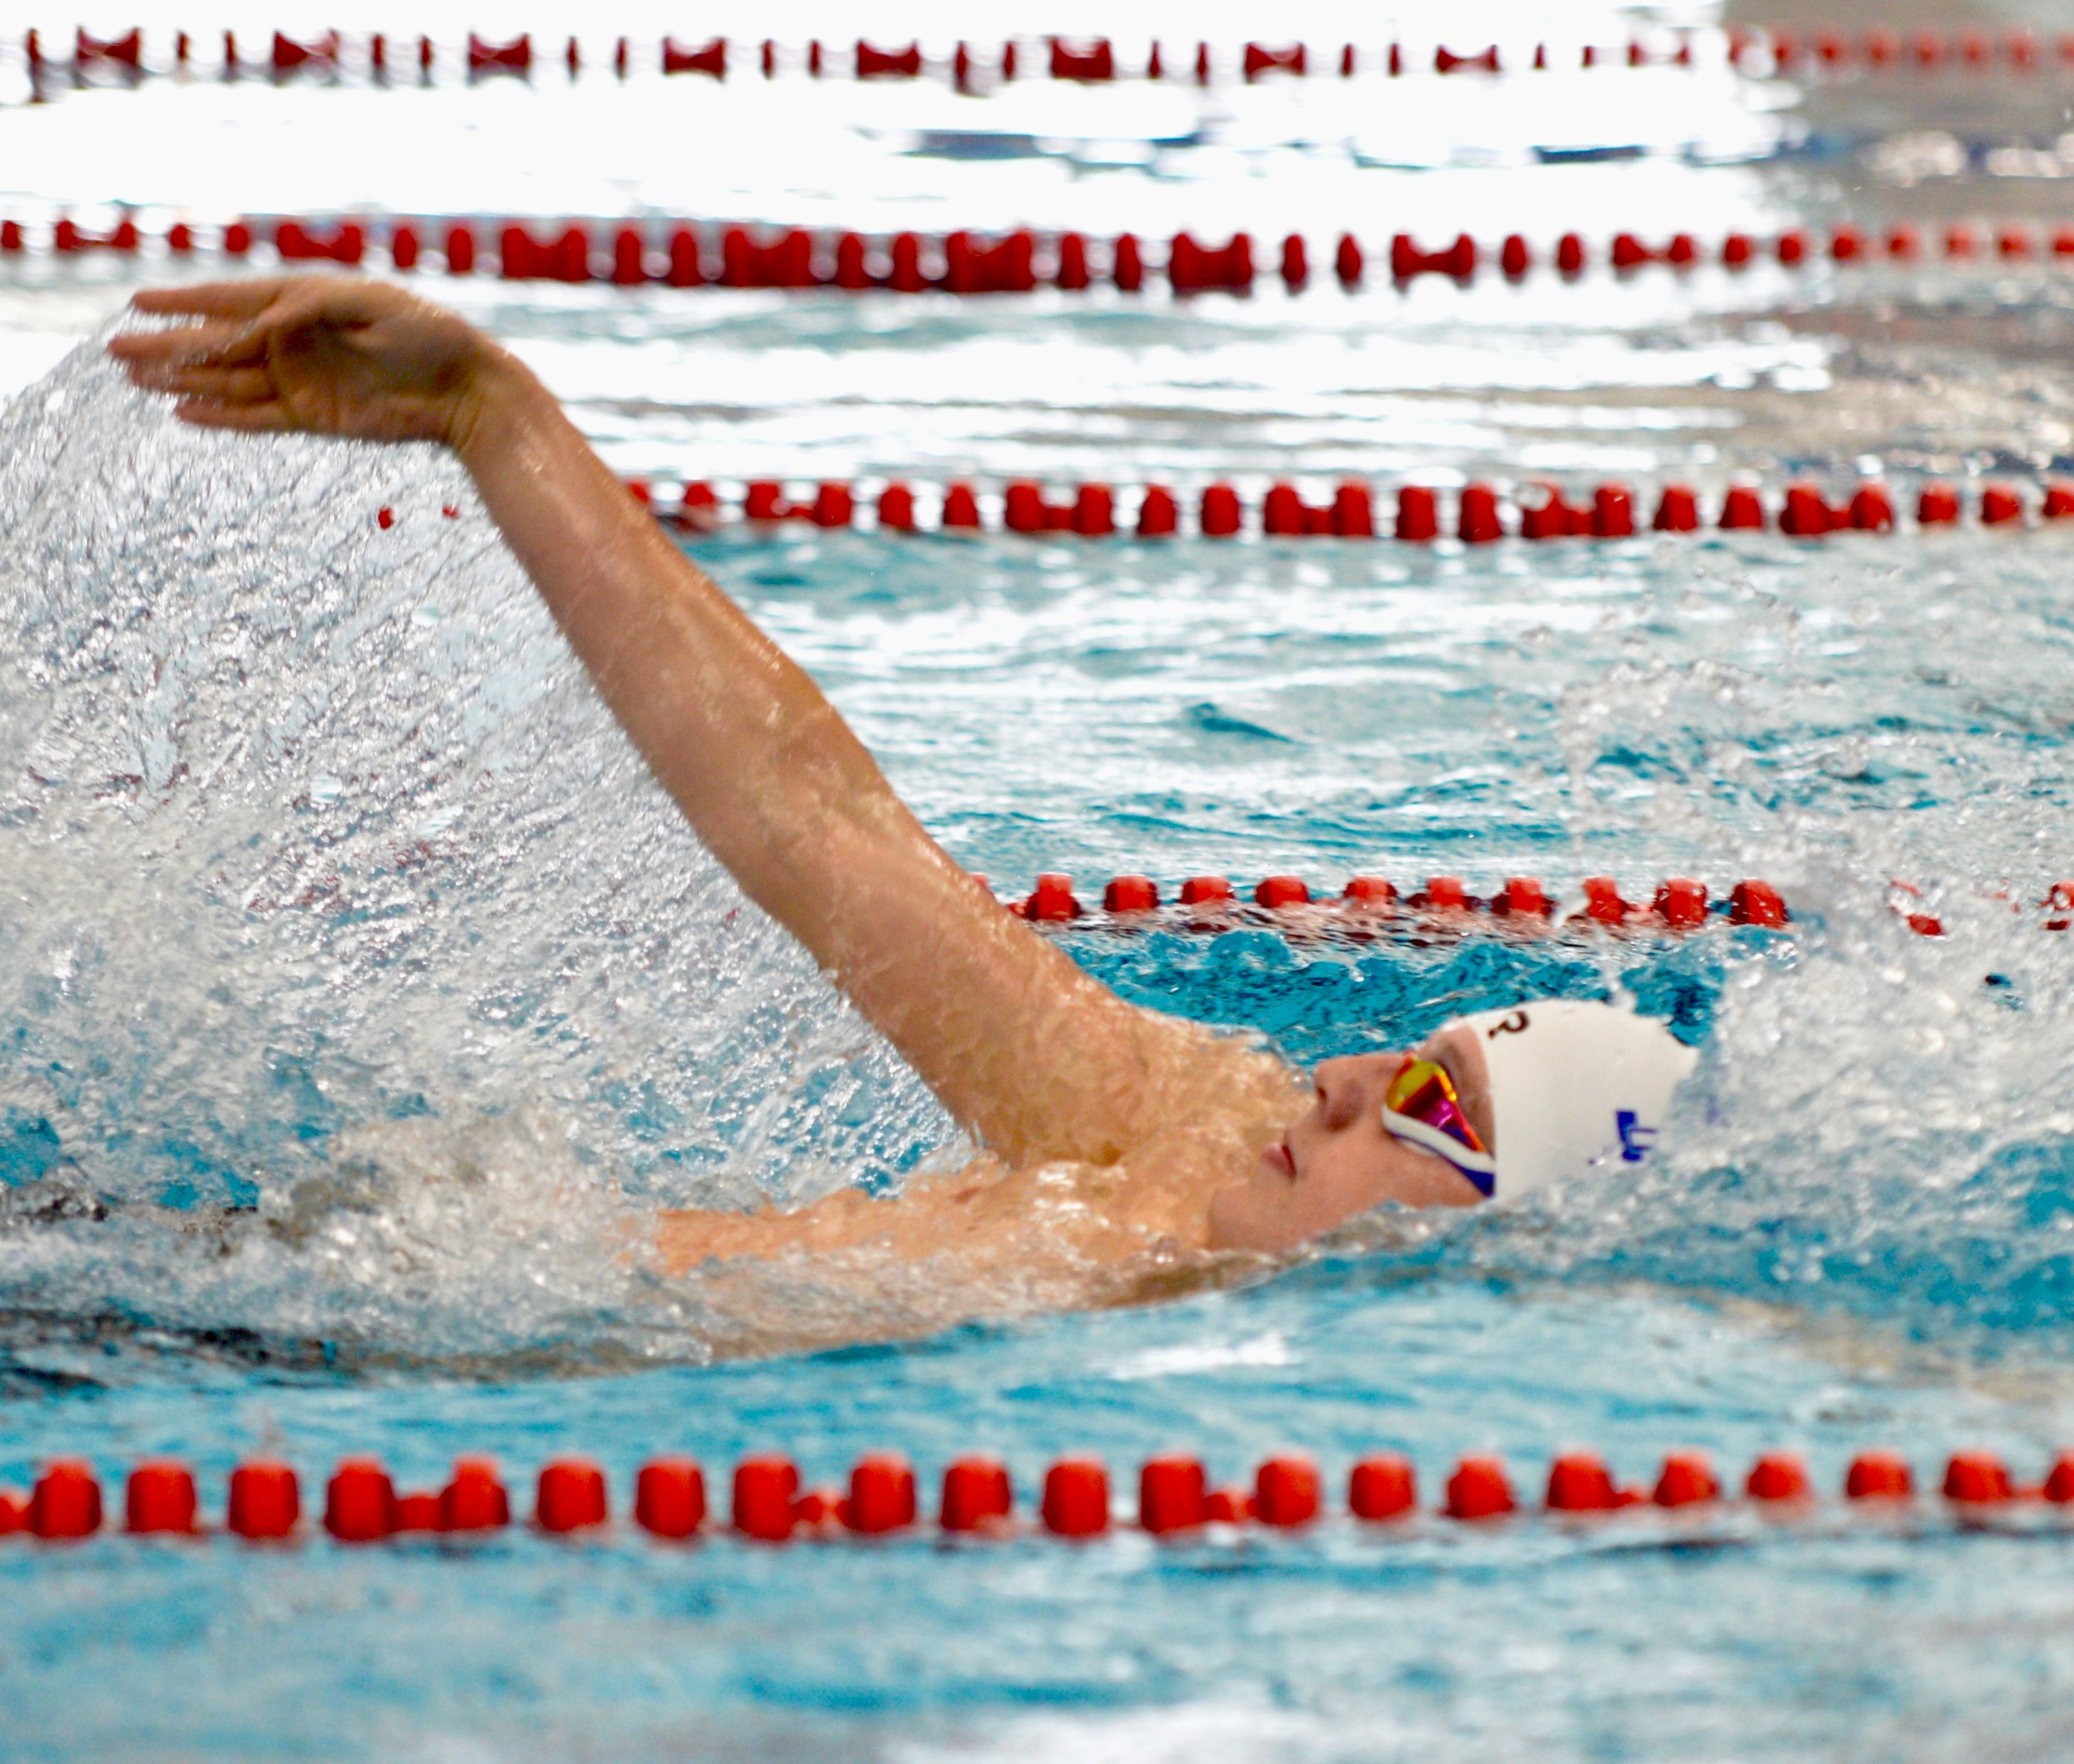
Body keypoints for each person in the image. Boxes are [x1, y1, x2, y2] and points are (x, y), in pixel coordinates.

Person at [106, 277, 1703, 1290]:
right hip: (230, 1294)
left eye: (1427, 1105)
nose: (1343, 1078)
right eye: (1406, 1058)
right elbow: (817, 826)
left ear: (1496, 1245)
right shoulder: (1173, 1127)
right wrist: (491, 414)